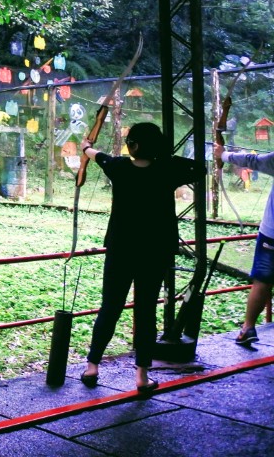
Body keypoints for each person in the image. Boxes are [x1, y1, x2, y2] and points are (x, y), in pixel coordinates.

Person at [79, 122, 203, 393]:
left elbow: (96, 155)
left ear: (133, 146)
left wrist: (86, 147)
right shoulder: (167, 170)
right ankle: (142, 377)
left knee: (110, 306)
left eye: (130, 142)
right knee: (146, 311)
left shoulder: (120, 167)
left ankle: (92, 366)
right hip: (154, 251)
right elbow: (199, 168)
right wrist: (164, 156)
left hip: (121, 249)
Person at [214, 142, 274, 346]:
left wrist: (223, 155)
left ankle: (248, 328)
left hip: (271, 235)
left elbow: (252, 161)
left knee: (263, 281)